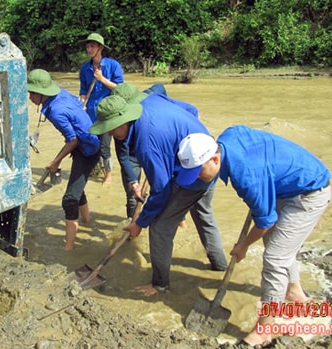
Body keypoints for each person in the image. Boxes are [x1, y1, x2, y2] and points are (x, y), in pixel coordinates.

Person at [175, 126, 331, 347]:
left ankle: (265, 329)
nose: (196, 179)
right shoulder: (227, 138)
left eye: (198, 172)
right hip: (286, 186)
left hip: (310, 193)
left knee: (275, 258)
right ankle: (294, 292)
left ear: (215, 160)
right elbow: (247, 135)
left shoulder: (246, 177)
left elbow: (266, 221)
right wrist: (267, 178)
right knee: (275, 242)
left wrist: (244, 245)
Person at [90, 95, 228, 297]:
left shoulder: (147, 143)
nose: (109, 133)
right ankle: (220, 267)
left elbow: (161, 191)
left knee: (160, 227)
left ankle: (160, 285)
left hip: (198, 169)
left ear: (124, 120)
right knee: (202, 214)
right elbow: (191, 109)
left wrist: (140, 223)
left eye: (111, 127)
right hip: (209, 155)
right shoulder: (150, 101)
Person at [27, 69, 101, 251]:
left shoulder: (56, 111)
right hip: (88, 141)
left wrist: (56, 162)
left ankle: (68, 249)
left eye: (31, 93)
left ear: (41, 93)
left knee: (69, 200)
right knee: (77, 189)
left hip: (88, 149)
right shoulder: (60, 93)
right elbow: (79, 103)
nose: (29, 97)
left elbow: (73, 139)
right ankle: (87, 222)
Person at [111, 82, 196, 226]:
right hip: (134, 156)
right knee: (133, 196)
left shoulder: (153, 99)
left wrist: (178, 143)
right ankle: (133, 227)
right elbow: (123, 156)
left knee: (166, 189)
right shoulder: (117, 124)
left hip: (153, 148)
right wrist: (134, 182)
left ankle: (180, 221)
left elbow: (191, 111)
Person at [79, 33, 124, 185]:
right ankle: (95, 168)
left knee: (105, 146)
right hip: (91, 113)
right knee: (91, 142)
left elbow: (120, 88)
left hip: (107, 114)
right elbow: (83, 91)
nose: (89, 49)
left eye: (92, 46)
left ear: (100, 48)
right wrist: (82, 103)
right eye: (87, 46)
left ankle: (108, 174)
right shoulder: (85, 68)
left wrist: (102, 79)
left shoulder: (113, 66)